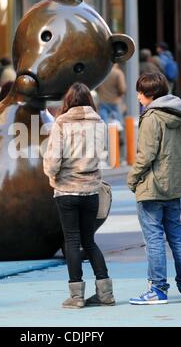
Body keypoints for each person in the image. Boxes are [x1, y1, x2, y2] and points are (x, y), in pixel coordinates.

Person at [127, 72, 181, 305]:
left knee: (154, 238)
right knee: (177, 236)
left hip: (153, 186)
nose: (138, 96)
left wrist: (132, 179)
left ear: (150, 94)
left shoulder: (152, 117)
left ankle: (158, 289)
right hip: (176, 185)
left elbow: (146, 154)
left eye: (140, 92)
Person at [43, 82, 114, 309]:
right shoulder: (99, 123)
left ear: (68, 101)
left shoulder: (61, 124)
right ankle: (105, 293)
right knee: (89, 241)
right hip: (91, 189)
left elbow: (53, 161)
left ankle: (76, 296)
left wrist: (52, 176)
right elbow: (105, 154)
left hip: (66, 190)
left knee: (72, 241)